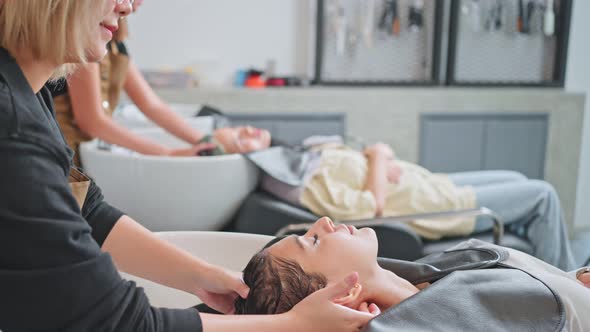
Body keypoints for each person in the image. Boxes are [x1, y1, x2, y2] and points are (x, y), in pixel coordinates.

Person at [0, 1, 376, 331]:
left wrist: (203, 276)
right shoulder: (13, 132)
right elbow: (112, 321)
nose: (129, 6)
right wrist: (291, 325)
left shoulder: (32, 97)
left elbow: (87, 208)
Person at [191, 126, 576, 270]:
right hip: (426, 205)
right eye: (239, 140)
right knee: (542, 195)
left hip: (425, 183)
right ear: (240, 158)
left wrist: (378, 158)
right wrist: (379, 157)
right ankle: (573, 283)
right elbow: (368, 209)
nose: (250, 132)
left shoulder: (293, 157)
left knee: (515, 178)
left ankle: (534, 271)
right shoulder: (290, 182)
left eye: (239, 127)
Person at [234, 217, 590, 331]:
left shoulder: (428, 278)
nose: (323, 222)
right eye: (311, 242)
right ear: (341, 296)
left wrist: (575, 280)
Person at [51, 0, 212, 166]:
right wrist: (169, 154)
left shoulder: (115, 44)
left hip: (84, 152)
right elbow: (92, 121)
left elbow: (152, 105)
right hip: (62, 150)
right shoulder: (89, 40)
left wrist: (205, 141)